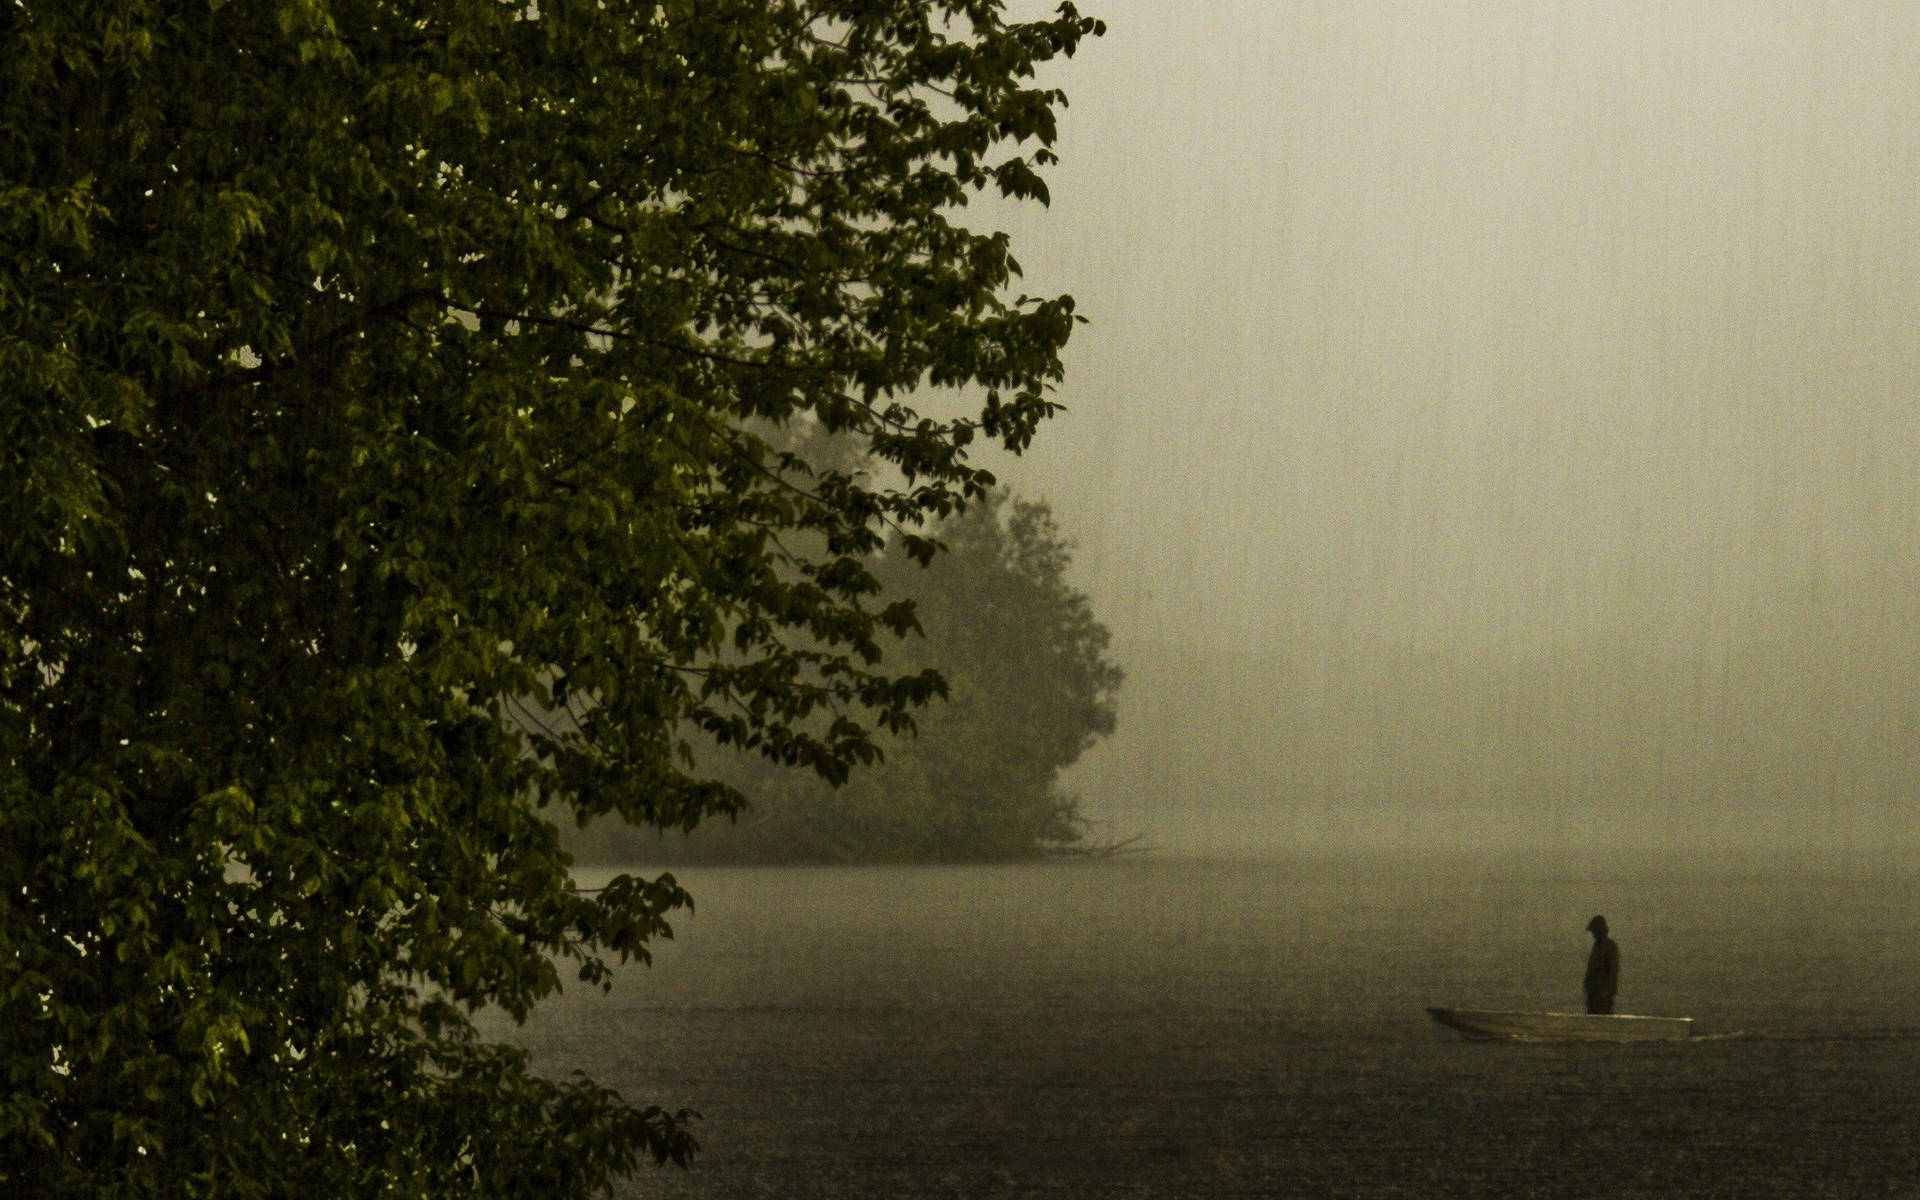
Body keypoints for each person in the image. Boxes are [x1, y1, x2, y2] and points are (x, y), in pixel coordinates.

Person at [1583, 915, 1620, 1014]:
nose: (1593, 934)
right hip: (1593, 994)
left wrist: (1605, 990)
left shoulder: (1610, 947)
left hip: (1603, 996)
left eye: (1594, 931)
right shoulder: (1597, 946)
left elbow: (1612, 971)